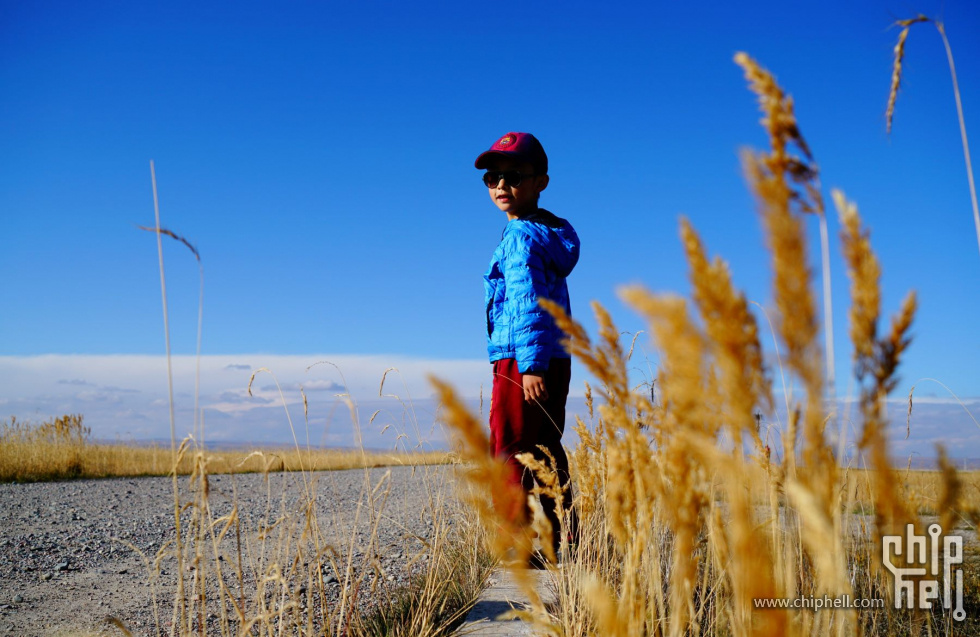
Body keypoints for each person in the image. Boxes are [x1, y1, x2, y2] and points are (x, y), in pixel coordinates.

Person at [475, 131, 580, 562]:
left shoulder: (520, 235)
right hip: (552, 358)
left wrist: (529, 365)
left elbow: (526, 301)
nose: (501, 185)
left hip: (525, 360)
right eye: (492, 177)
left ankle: (516, 547)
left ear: (541, 182)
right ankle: (563, 539)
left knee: (510, 450)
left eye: (514, 176)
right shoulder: (546, 234)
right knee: (545, 449)